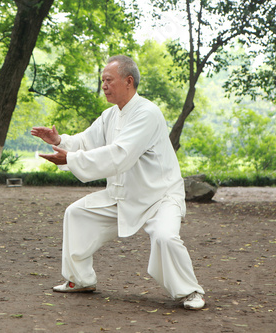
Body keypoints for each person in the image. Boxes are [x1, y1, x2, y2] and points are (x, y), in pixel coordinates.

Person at [31, 55, 206, 310]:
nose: (103, 85)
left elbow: (120, 154)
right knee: (77, 213)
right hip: (122, 194)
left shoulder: (147, 113)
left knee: (165, 238)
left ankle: (191, 291)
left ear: (128, 81)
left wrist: (72, 158)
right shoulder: (110, 116)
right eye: (102, 80)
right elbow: (85, 142)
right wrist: (60, 141)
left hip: (160, 196)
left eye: (108, 80)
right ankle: (79, 280)